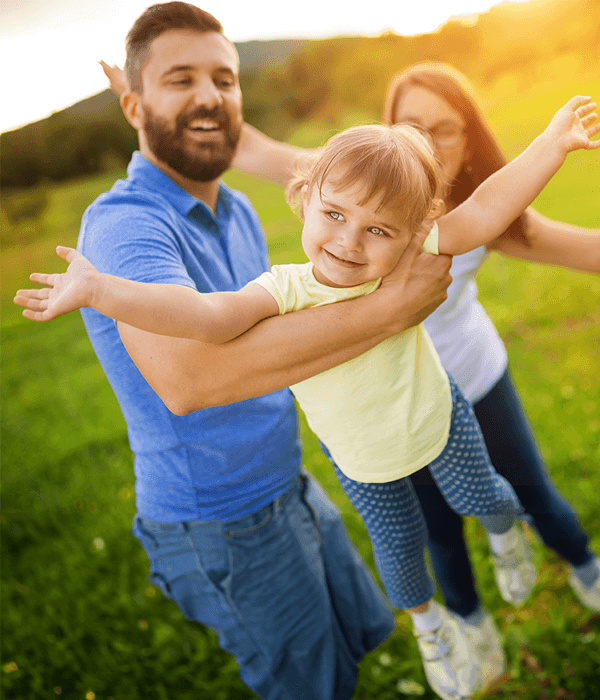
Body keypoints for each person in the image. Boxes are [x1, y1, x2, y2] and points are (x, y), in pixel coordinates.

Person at [16, 98, 600, 699]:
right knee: (399, 549)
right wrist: (101, 289)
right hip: (362, 461)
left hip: (439, 417)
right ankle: (431, 628)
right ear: (304, 198)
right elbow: (207, 315)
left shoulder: (411, 255)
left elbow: (486, 209)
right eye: (335, 214)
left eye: (378, 228)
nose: (350, 241)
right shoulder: (284, 289)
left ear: (413, 231)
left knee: (483, 495)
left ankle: (506, 534)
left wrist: (552, 143)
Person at [14, 5, 463, 700]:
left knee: (352, 647)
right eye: (181, 79)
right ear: (133, 103)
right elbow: (190, 380)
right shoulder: (125, 224)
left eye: (225, 78)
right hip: (220, 518)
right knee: (311, 686)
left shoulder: (239, 209)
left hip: (286, 481)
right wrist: (387, 310)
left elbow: (275, 325)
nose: (209, 96)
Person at [382, 61, 600, 638]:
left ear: (467, 136)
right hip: (403, 404)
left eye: (445, 128)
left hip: (477, 379)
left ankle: (584, 565)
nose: (428, 144)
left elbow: (590, 249)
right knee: (439, 529)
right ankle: (471, 626)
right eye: (411, 126)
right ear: (387, 131)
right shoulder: (362, 205)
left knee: (535, 494)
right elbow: (262, 152)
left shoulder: (484, 212)